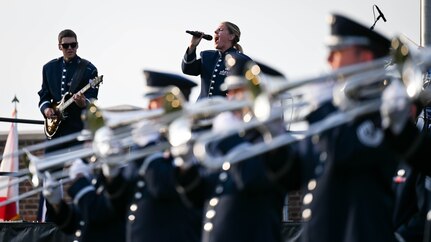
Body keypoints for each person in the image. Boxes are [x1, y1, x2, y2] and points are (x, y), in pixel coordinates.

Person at [264, 13, 399, 242]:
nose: (328, 60)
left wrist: (319, 109)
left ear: (365, 58)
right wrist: (274, 137)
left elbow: (344, 151)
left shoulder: (382, 111)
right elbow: (292, 178)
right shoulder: (329, 116)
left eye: (336, 52)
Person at [175, 55, 288, 242]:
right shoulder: (221, 138)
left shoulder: (270, 140)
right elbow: (198, 197)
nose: (231, 98)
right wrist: (186, 165)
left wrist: (229, 138)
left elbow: (251, 179)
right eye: (229, 91)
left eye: (239, 90)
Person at [101, 70, 202, 242]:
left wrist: (147, 147)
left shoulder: (189, 142)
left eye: (154, 101)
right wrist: (112, 174)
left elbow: (163, 187)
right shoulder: (148, 141)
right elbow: (123, 201)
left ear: (174, 103)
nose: (147, 108)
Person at [37, 29, 99, 222]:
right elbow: (43, 95)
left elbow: (93, 100)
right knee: (50, 175)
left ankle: (87, 218)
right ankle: (51, 220)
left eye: (73, 45)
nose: (70, 48)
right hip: (56, 132)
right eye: (66, 46)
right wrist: (47, 109)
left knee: (83, 174)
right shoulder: (49, 68)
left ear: (77, 45)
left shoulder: (89, 69)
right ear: (59, 46)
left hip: (78, 130)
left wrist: (83, 103)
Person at [182, 21, 252, 100]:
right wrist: (192, 46)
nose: (215, 32)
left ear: (231, 36)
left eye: (220, 30)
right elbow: (188, 69)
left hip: (223, 110)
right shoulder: (207, 56)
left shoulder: (241, 60)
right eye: (216, 30)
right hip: (202, 109)